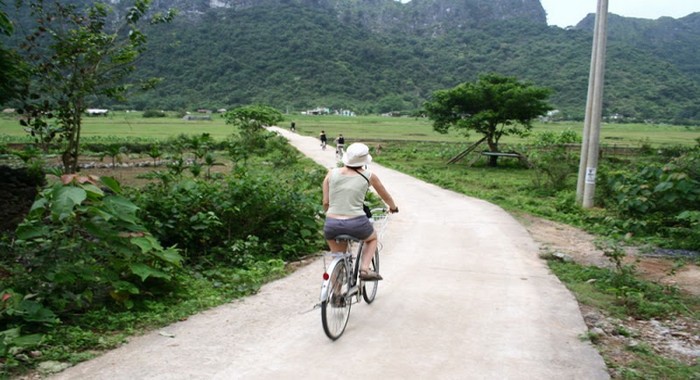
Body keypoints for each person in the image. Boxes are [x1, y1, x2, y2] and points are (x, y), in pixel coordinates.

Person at [323, 143, 399, 280]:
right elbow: (385, 196)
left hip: (332, 223)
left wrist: (333, 216)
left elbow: (326, 202)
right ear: (364, 161)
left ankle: (336, 296)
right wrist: (393, 207)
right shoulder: (369, 176)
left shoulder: (331, 173)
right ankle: (364, 269)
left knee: (338, 258)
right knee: (372, 238)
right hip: (356, 222)